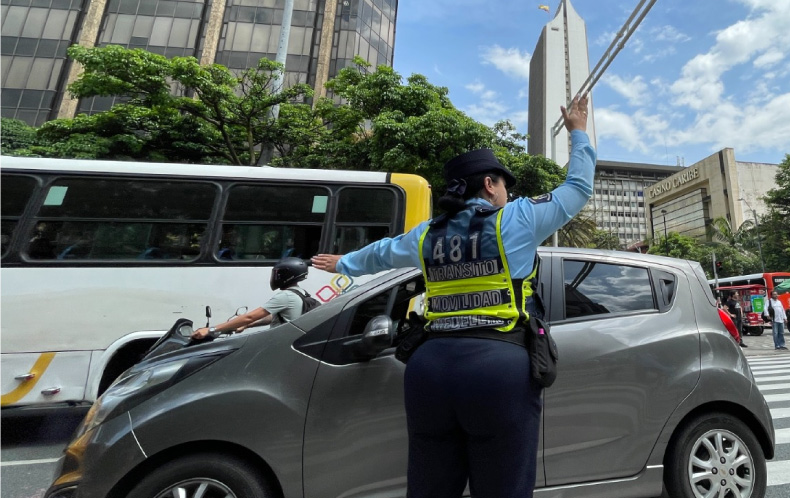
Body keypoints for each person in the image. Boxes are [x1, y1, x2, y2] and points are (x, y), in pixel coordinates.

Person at [310, 95, 594, 498]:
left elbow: (382, 253)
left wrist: (342, 264)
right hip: (499, 369)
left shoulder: (428, 233)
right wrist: (578, 133)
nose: (508, 195)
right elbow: (578, 187)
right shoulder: (518, 218)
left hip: (429, 371)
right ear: (489, 184)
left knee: (430, 486)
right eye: (504, 186)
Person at [190, 257, 312, 340]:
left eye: (277, 274)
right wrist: (247, 325)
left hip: (279, 345)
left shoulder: (286, 296)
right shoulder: (300, 293)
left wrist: (211, 330)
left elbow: (250, 316)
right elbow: (272, 317)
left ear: (286, 276)